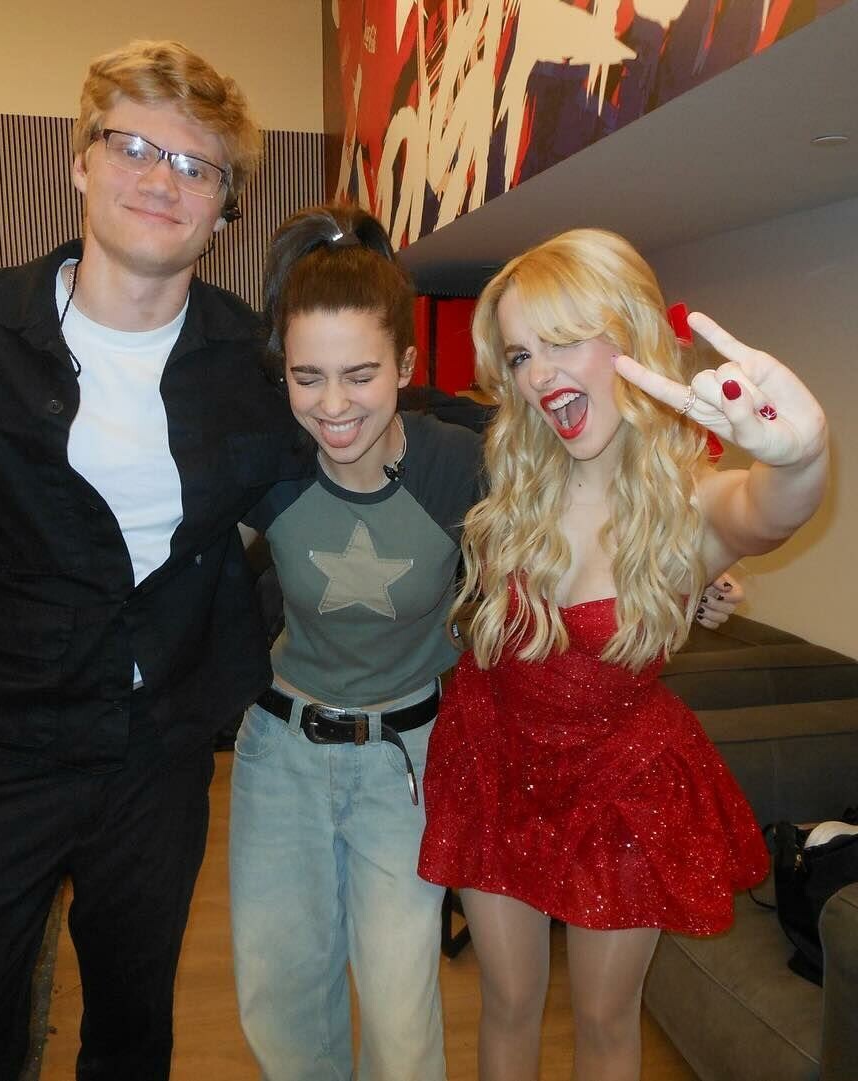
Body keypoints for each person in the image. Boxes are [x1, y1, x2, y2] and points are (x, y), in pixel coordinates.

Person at [0, 40, 305, 1081]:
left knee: (132, 1035)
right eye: (133, 146)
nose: (161, 180)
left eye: (196, 166)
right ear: (80, 159)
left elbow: (358, 450)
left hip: (159, 761)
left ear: (224, 209)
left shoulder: (252, 362)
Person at [417, 228, 828, 1081]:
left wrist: (802, 459)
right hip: (496, 758)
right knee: (508, 1001)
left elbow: (764, 509)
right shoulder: (515, 479)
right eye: (522, 354)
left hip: (620, 783)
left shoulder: (688, 506)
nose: (538, 375)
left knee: (606, 1019)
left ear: (630, 338)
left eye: (563, 341)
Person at [226, 204, 481, 1081]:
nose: (332, 407)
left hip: (406, 764)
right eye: (308, 377)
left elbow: (574, 538)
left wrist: (698, 571)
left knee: (403, 1023)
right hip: (280, 755)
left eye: (360, 374)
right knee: (282, 1006)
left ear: (406, 365)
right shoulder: (273, 461)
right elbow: (168, 552)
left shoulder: (458, 464)